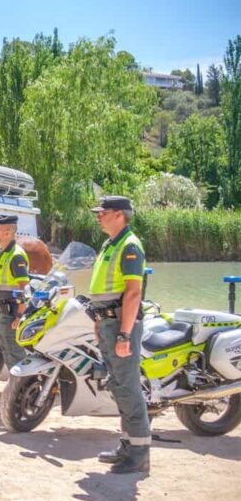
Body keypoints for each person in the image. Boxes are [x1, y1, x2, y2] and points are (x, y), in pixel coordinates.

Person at [89, 196, 150, 474]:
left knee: (128, 387)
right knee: (118, 386)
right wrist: (98, 321)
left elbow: (133, 293)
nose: (98, 216)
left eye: (103, 212)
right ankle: (127, 445)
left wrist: (124, 334)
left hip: (120, 325)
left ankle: (138, 454)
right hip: (108, 324)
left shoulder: (129, 246)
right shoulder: (110, 244)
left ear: (119, 215)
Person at [0, 215, 30, 372]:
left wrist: (19, 317)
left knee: (15, 355)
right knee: (8, 354)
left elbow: (23, 288)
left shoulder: (15, 255)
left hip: (11, 315)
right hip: (2, 314)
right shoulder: (3, 252)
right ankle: (15, 393)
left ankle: (22, 390)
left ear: (7, 233)